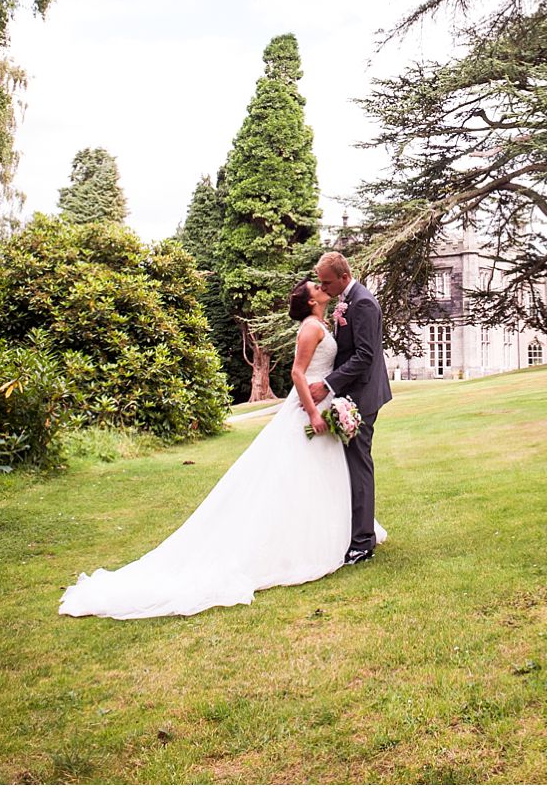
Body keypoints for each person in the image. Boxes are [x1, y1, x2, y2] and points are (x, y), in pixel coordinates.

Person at [58, 278, 384, 619]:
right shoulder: (309, 328)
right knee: (294, 477)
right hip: (310, 409)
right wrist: (315, 413)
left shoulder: (322, 322)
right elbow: (297, 373)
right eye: (316, 287)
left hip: (327, 401)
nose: (321, 287)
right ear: (310, 300)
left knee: (322, 476)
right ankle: (298, 546)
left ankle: (338, 536)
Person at [309, 251, 392, 565]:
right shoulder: (347, 300)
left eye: (327, 282)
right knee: (347, 465)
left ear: (344, 276)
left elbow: (365, 357)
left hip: (363, 397)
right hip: (348, 393)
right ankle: (355, 532)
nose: (323, 288)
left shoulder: (364, 303)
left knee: (358, 466)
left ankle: (361, 544)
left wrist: (328, 384)